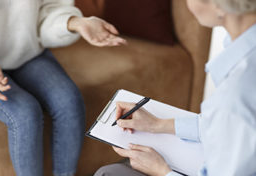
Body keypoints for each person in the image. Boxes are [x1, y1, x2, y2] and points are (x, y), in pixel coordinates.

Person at [0, 0, 126, 176]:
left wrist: (76, 23)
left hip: (23, 53)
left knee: (69, 102)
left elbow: (45, 13)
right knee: (26, 114)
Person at [94, 0, 256, 175]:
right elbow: (230, 128)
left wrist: (161, 170)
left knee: (111, 173)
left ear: (218, 5)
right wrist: (158, 124)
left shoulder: (233, 96)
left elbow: (233, 120)